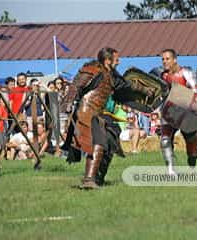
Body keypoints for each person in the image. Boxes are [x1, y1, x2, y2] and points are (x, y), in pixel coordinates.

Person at [63, 47, 154, 189]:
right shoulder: (92, 69)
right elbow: (76, 86)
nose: (119, 62)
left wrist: (144, 90)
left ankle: (98, 178)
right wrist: (68, 104)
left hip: (98, 113)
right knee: (98, 141)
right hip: (86, 113)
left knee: (110, 141)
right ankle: (88, 179)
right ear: (107, 60)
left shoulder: (111, 75)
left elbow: (126, 85)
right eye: (116, 59)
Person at [159, 48, 197, 175]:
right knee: (165, 140)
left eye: (167, 59)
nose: (164, 61)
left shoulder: (186, 73)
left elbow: (196, 92)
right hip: (168, 112)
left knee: (193, 147)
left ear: (174, 59)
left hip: (185, 112)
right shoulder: (161, 75)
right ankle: (171, 170)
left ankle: (192, 161)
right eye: (162, 59)